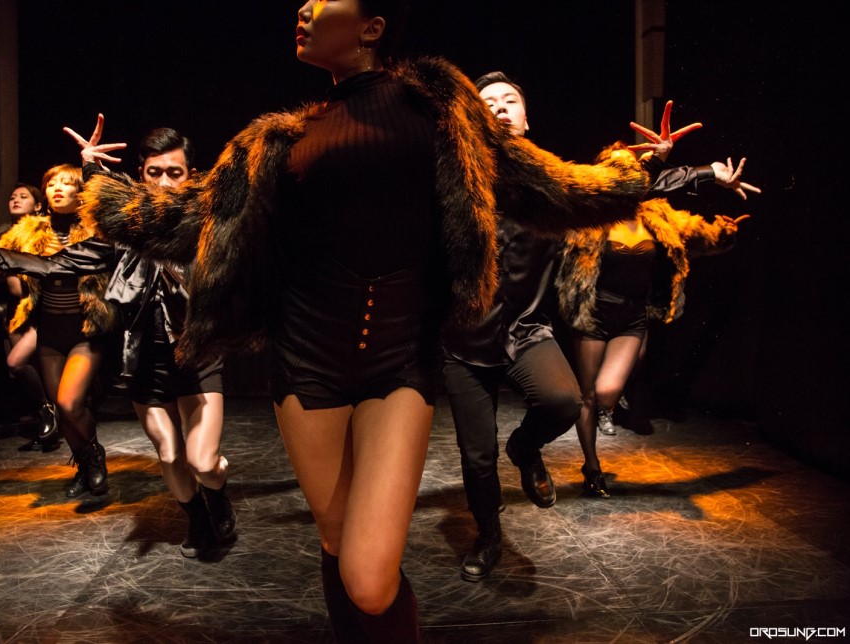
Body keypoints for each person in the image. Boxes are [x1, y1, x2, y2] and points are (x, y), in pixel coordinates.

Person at [74, 1, 655, 639]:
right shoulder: (274, 140)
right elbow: (186, 221)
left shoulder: (440, 106)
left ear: (372, 27)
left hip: (399, 359)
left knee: (371, 578)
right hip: (306, 362)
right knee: (336, 542)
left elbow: (546, 186)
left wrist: (639, 171)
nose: (303, 7)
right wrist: (97, 183)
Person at [0, 122, 236, 557]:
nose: (164, 182)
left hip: (197, 359)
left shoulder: (204, 225)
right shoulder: (121, 235)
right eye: (154, 173)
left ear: (191, 175)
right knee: (169, 456)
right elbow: (58, 264)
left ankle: (217, 496)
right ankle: (198, 520)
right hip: (147, 366)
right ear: (141, 176)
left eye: (175, 172)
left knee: (204, 463)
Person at [555, 140, 759, 499]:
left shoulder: (657, 216)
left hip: (632, 316)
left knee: (606, 391)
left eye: (631, 166)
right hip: (593, 314)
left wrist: (725, 232)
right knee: (587, 395)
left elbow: (699, 237)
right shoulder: (589, 217)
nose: (627, 172)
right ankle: (592, 466)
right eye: (617, 166)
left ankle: (610, 406)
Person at [441, 71, 582, 583]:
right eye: (488, 102)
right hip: (463, 338)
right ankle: (488, 536)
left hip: (526, 331)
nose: (499, 107)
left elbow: (618, 189)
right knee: (476, 455)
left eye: (509, 100)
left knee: (563, 402)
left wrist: (697, 174)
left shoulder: (553, 184)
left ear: (527, 118)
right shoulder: (451, 178)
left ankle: (524, 449)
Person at [0, 164, 119, 498]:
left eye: (66, 183)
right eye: (52, 183)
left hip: (86, 329)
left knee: (70, 402)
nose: (57, 188)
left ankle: (95, 456)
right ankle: (84, 465)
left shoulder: (96, 229)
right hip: (48, 330)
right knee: (61, 407)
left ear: (81, 192)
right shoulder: (27, 231)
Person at [0, 183, 59, 445]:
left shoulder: (42, 233)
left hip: (38, 307)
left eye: (23, 197)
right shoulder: (1, 235)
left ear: (38, 205)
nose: (15, 200)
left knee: (18, 362)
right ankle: (47, 421)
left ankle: (51, 414)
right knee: (25, 369)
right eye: (12, 197)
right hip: (14, 310)